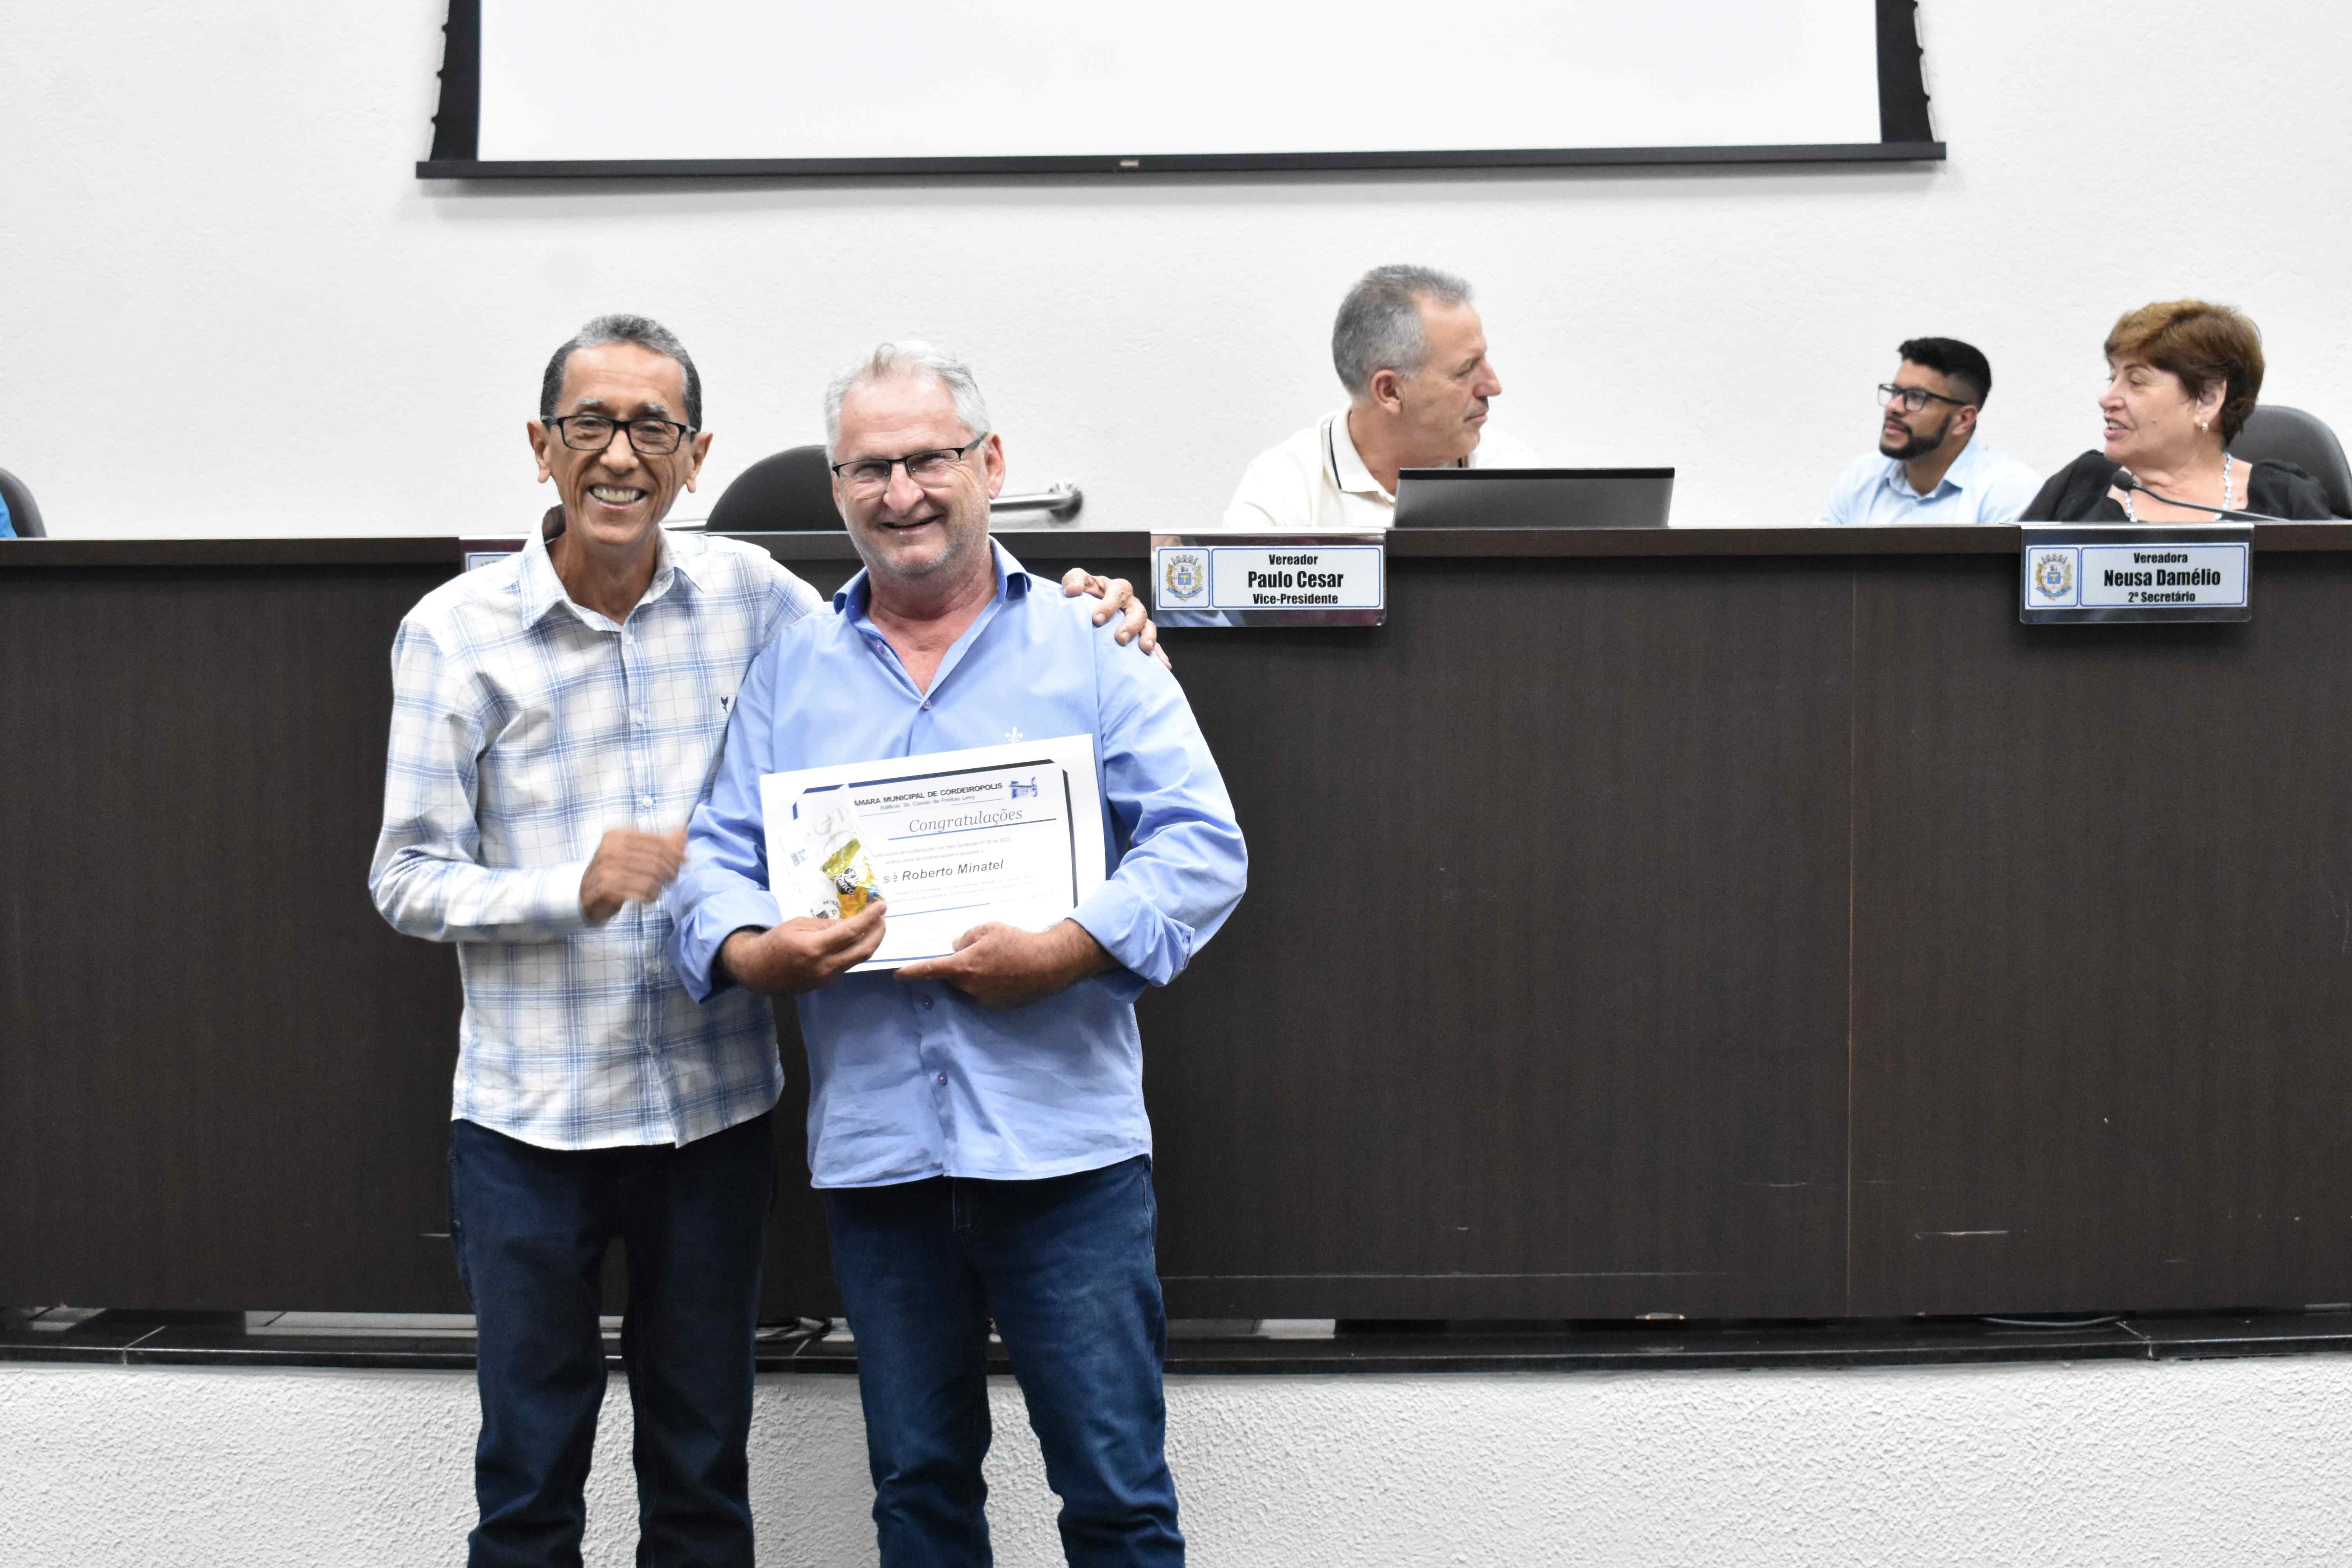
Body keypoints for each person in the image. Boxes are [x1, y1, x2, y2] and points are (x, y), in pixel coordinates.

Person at [367, 314, 1159, 1568]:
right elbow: (404, 879)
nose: (620, 454)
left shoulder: (761, 603)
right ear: (540, 445)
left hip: (710, 1116)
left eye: (654, 428)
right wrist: (569, 890)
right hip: (530, 1122)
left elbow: (914, 614)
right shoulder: (453, 633)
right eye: (590, 423)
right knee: (527, 1480)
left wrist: (1097, 603)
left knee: (701, 1478)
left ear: (696, 456)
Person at [670, 341, 1248, 1566]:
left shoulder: (1091, 641)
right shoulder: (791, 670)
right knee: (920, 1498)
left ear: (989, 464)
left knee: (1117, 1500)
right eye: (867, 469)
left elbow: (1203, 847)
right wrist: (756, 952)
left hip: (1067, 1160)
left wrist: (1069, 949)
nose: (901, 493)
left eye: (927, 459)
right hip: (884, 1165)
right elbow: (713, 862)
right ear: (837, 489)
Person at [1223, 264, 1535, 530]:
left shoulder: (1511, 476)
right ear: (1390, 392)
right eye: (1466, 370)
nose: (1493, 386)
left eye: (1484, 360)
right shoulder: (1282, 490)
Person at [2025, 300, 2332, 522]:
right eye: (2112, 379)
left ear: (2207, 400)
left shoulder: (2284, 504)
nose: (2107, 399)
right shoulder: (2080, 487)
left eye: (2136, 382)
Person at [1819, 337, 2041, 525]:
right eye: (1895, 392)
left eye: (1916, 397)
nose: (1894, 407)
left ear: (1963, 420)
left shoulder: (2010, 491)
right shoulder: (1860, 480)